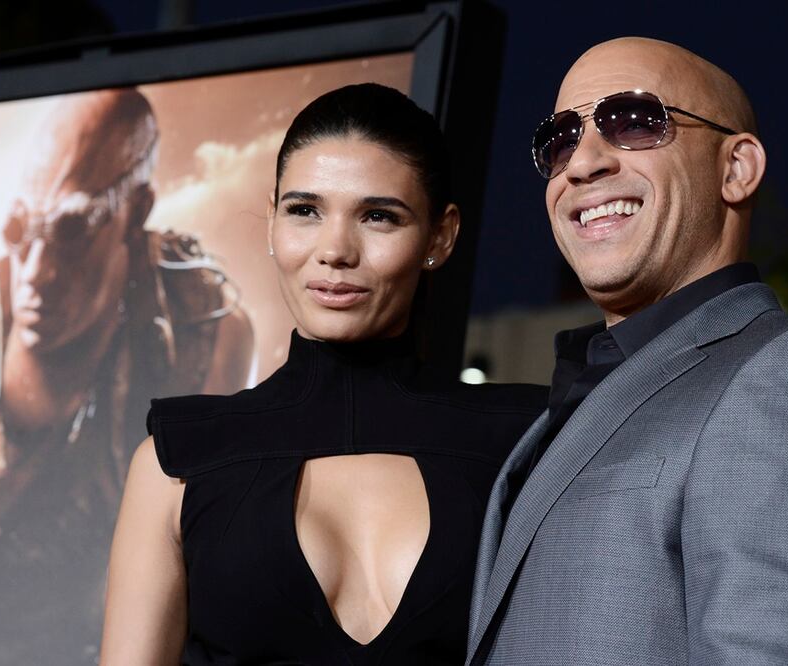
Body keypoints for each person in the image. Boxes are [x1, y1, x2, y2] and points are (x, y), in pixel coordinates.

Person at [467, 37, 788, 665]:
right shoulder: (580, 403)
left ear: (735, 169)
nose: (581, 164)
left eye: (633, 121)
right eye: (560, 140)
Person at [100, 83, 546, 665]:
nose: (335, 250)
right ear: (271, 223)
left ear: (440, 236)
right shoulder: (178, 460)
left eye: (379, 216)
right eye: (305, 210)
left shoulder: (526, 444)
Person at [0, 88, 254, 665]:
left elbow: (205, 564)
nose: (35, 274)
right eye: (21, 230)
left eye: (70, 229)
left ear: (137, 211)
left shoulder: (201, 333)